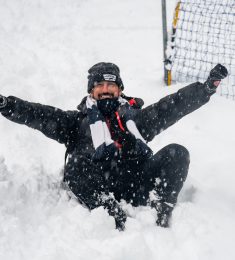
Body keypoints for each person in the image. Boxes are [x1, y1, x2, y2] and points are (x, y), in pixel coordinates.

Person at [0, 62, 228, 230]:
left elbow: (171, 107)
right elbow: (38, 114)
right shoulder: (76, 123)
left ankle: (162, 209)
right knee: (75, 166)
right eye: (100, 85)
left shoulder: (136, 119)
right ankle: (112, 216)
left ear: (119, 90)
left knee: (177, 152)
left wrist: (204, 89)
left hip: (138, 185)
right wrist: (6, 104)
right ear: (91, 91)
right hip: (100, 189)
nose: (106, 89)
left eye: (111, 84)